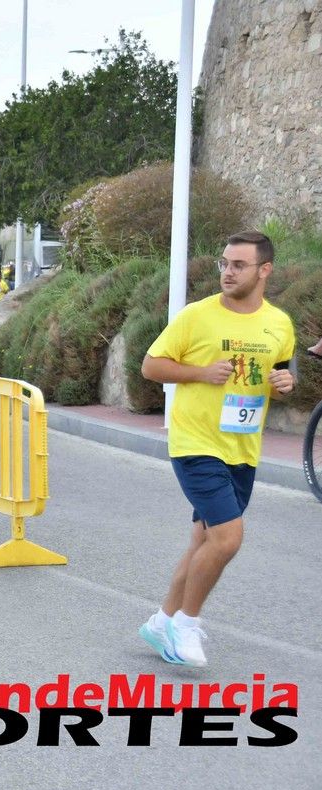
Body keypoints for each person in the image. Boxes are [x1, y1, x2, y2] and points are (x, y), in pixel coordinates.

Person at [138, 231, 295, 667]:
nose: (227, 271)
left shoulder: (278, 323)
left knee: (203, 539)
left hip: (242, 446)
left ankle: (160, 621)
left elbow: (280, 373)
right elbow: (152, 365)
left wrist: (286, 384)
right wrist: (200, 373)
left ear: (264, 270)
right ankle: (185, 626)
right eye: (224, 263)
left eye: (238, 265)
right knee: (227, 538)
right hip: (195, 442)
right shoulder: (196, 316)